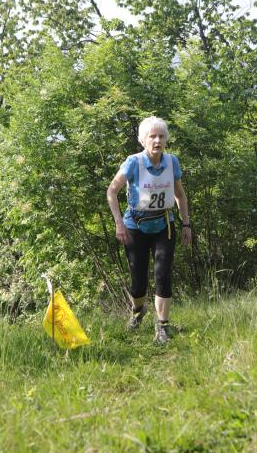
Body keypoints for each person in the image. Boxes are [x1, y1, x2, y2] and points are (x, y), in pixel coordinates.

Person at [107, 116, 191, 343]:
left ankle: (162, 325)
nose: (157, 140)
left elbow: (180, 195)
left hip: (164, 224)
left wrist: (186, 223)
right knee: (138, 281)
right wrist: (119, 223)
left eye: (161, 136)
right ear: (143, 140)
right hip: (135, 226)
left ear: (166, 140)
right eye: (152, 136)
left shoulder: (172, 162)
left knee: (163, 273)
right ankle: (138, 311)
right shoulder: (133, 162)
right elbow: (112, 191)